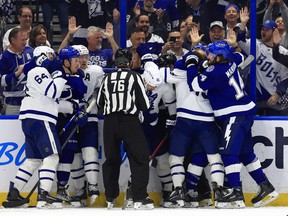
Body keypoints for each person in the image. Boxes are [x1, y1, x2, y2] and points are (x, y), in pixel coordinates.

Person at [188, 40, 279, 208]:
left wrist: (192, 62)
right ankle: (266, 186)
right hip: (245, 112)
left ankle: (235, 193)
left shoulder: (215, 72)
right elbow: (238, 55)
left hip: (233, 114)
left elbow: (193, 84)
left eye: (211, 54)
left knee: (228, 153)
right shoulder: (232, 60)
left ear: (219, 57)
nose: (208, 56)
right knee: (245, 153)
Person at [4, 46, 66, 208]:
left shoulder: (34, 71)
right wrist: (59, 73)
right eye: (51, 56)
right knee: (52, 157)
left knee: (33, 159)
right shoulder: (39, 71)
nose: (53, 59)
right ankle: (44, 194)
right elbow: (53, 92)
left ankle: (14, 192)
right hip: (41, 118)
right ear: (44, 56)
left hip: (30, 118)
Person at [97, 48, 154, 210]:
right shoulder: (134, 76)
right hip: (130, 121)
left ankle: (110, 198)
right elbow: (144, 104)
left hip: (110, 122)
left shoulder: (107, 78)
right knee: (140, 159)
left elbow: (100, 104)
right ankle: (139, 198)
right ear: (129, 62)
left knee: (111, 160)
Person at [68, 44, 105, 206]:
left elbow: (102, 94)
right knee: (74, 157)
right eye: (79, 57)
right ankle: (80, 190)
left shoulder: (96, 71)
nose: (83, 60)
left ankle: (93, 186)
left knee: (89, 152)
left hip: (89, 117)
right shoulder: (65, 74)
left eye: (85, 56)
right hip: (70, 118)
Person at [238, 7, 288, 115]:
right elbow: (240, 42)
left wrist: (278, 94)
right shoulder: (254, 44)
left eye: (266, 29)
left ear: (274, 31)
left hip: (273, 100)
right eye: (262, 29)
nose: (263, 32)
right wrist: (243, 23)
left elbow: (286, 78)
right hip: (256, 98)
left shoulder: (283, 52)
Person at [0, 27, 34, 115]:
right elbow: (2, 81)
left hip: (31, 101)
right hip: (13, 103)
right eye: (22, 40)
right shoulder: (4, 57)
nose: (25, 42)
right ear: (13, 40)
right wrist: (17, 73)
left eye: (26, 39)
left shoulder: (30, 51)